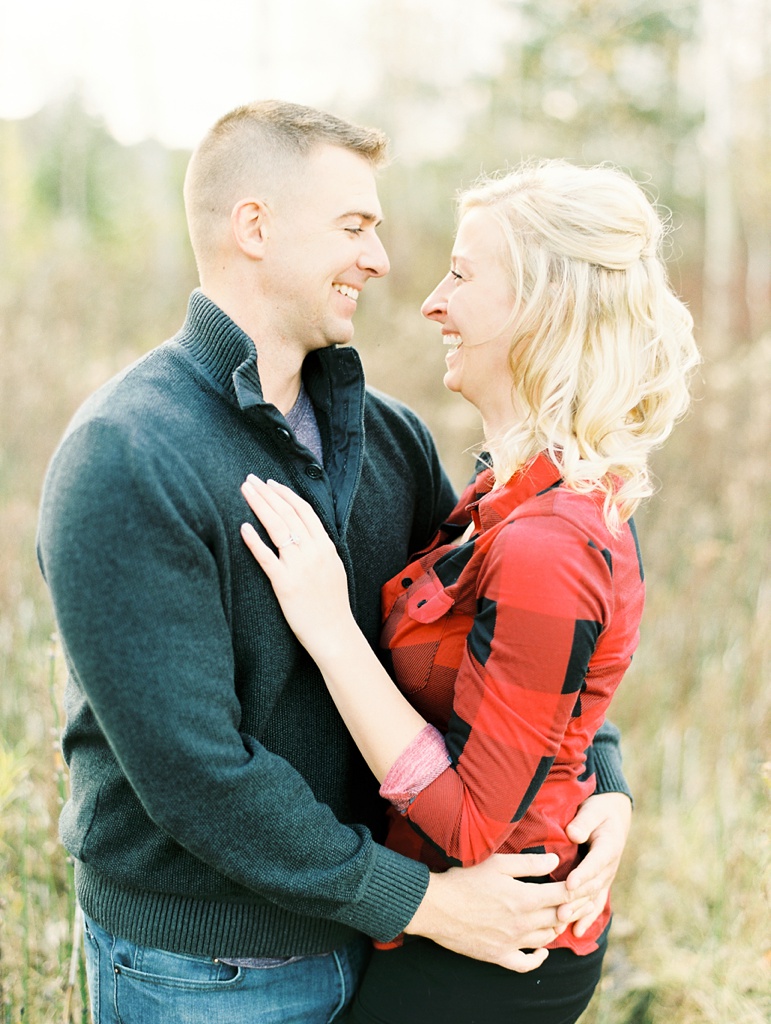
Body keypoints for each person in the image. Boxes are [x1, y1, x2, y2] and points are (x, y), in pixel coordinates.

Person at [37, 103, 633, 1024]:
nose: (382, 260)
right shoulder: (127, 455)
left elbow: (508, 644)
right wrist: (428, 903)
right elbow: (196, 776)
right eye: (354, 227)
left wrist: (607, 782)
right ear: (255, 228)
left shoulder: (389, 438)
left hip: (379, 945)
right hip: (208, 968)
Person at [239, 158, 700, 1023]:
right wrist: (608, 783)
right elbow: (549, 706)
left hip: (490, 959)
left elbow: (467, 824)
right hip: (468, 936)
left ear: (540, 307)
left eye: (461, 273)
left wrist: (328, 629)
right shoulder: (513, 492)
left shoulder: (546, 541)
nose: (431, 303)